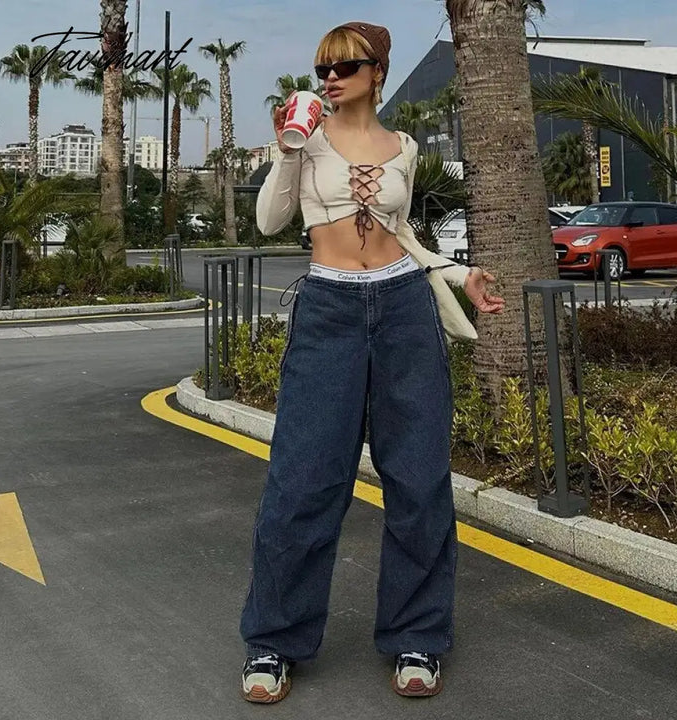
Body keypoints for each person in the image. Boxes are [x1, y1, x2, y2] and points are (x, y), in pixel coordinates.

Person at [239, 20, 505, 704]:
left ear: (377, 72)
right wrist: (288, 148)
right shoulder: (307, 138)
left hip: (403, 308)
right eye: (323, 69)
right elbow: (270, 221)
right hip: (328, 308)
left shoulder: (405, 147)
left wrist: (459, 274)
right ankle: (273, 641)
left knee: (418, 479)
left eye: (345, 67)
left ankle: (417, 635)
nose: (331, 78)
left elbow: (403, 234)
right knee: (302, 480)